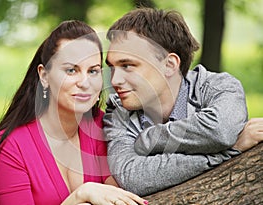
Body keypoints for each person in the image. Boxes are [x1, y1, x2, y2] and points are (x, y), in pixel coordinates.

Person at [0, 20, 147, 205]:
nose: (85, 82)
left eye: (93, 71)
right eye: (71, 70)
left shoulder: (100, 125)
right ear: (44, 76)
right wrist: (80, 195)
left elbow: (119, 192)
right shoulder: (11, 147)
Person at [103, 8, 263, 196]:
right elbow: (131, 177)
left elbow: (221, 132)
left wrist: (150, 138)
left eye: (127, 65)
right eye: (112, 67)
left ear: (169, 65)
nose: (114, 81)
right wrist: (229, 151)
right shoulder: (118, 110)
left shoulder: (219, 87)